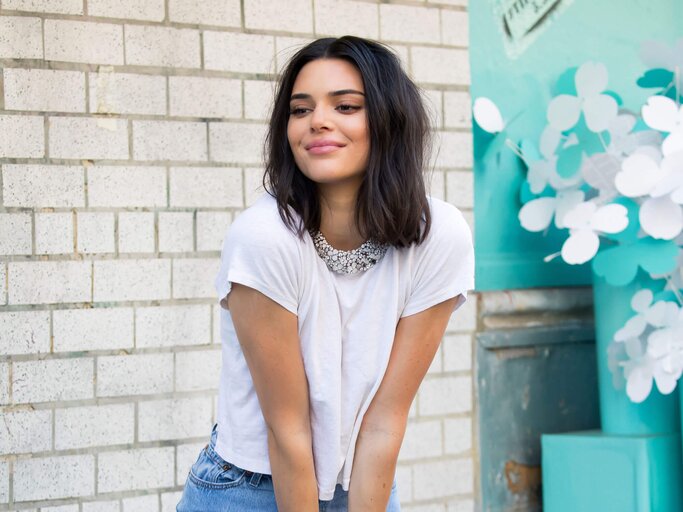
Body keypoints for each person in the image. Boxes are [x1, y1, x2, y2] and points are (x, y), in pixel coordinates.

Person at [176, 35, 474, 512]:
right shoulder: (264, 238)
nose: (318, 121)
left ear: (388, 120)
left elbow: (384, 422)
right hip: (251, 487)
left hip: (363, 480)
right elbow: (288, 431)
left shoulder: (438, 237)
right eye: (300, 109)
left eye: (346, 106)